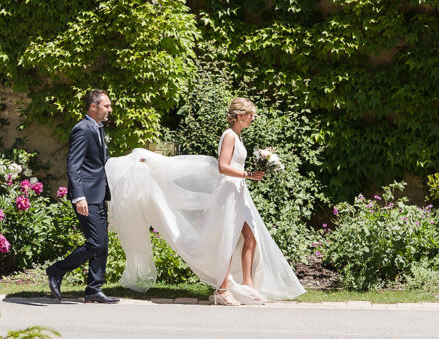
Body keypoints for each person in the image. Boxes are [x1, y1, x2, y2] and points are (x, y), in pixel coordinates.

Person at [105, 97, 305, 305]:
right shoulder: (228, 136)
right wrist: (247, 174)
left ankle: (248, 284)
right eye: (250, 115)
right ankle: (222, 289)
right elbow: (223, 167)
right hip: (228, 193)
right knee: (228, 239)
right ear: (240, 115)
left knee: (250, 236)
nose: (253, 118)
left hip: (238, 192)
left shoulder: (237, 136)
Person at [46, 90, 118, 304]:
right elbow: (73, 166)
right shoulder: (82, 129)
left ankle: (93, 289)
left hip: (98, 194)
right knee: (95, 242)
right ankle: (56, 270)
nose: (110, 110)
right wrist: (79, 197)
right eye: (106, 106)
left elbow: (96, 163)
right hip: (86, 196)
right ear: (93, 107)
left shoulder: (97, 129)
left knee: (102, 244)